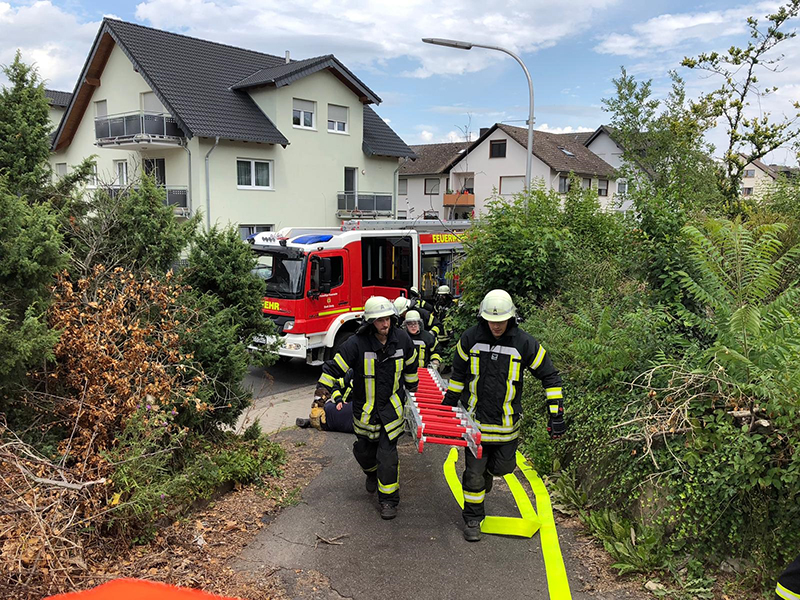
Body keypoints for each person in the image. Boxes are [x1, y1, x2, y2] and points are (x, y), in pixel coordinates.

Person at [443, 289, 567, 542]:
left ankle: (489, 474)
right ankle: (473, 519)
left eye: (500, 321)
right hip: (475, 423)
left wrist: (556, 414)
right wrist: (449, 404)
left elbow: (550, 376)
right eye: (491, 321)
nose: (496, 326)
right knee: (473, 474)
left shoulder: (524, 343)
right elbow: (457, 374)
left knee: (503, 467)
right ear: (483, 318)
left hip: (507, 425)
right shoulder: (470, 339)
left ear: (511, 318)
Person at [317, 296, 418, 520]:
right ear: (370, 322)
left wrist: (412, 386)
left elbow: (411, 363)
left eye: (388, 319)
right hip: (365, 412)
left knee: (388, 457)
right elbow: (333, 369)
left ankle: (389, 501)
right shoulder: (356, 343)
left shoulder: (401, 339)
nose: (385, 324)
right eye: (380, 320)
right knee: (363, 452)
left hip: (391, 411)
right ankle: (371, 474)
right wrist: (319, 399)